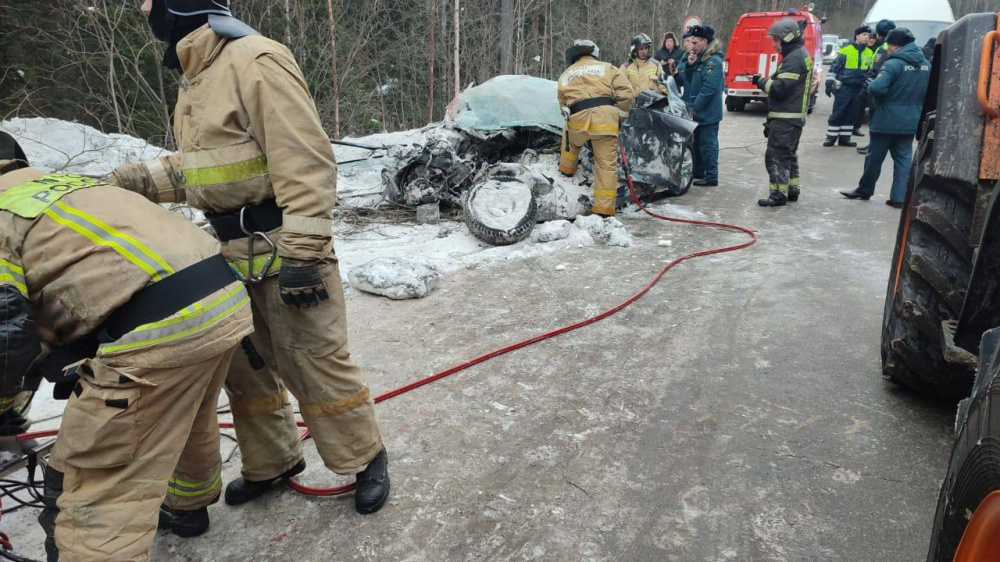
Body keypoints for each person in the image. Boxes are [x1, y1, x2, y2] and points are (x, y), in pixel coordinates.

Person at [117, 0, 391, 517]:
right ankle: (273, 462)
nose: (144, 9)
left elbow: (304, 157)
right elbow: (208, 170)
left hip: (284, 244)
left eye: (149, 0)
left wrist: (305, 253)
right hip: (228, 252)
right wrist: (130, 182)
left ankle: (364, 457)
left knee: (312, 360)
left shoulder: (255, 58)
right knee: (247, 369)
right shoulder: (197, 77)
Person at [0, 133, 253, 558]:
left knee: (92, 482)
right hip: (223, 296)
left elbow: (7, 339)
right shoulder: (61, 184)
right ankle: (188, 504)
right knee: (184, 414)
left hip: (157, 327)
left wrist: (5, 409)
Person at [839, 28, 931, 208]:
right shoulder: (926, 65)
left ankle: (864, 190)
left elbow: (876, 88)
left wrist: (873, 103)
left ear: (896, 46)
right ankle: (899, 198)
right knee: (904, 159)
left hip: (885, 120)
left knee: (874, 158)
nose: (887, 48)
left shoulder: (892, 64)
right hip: (911, 120)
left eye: (889, 45)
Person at [557, 39, 633, 216]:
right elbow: (626, 93)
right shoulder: (608, 68)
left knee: (569, 137)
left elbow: (563, 105)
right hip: (605, 121)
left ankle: (567, 169)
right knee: (606, 165)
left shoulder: (565, 74)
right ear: (594, 54)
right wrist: (619, 117)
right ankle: (603, 209)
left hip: (577, 121)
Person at [752, 19, 813, 208]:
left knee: (776, 156)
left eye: (776, 40)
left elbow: (780, 89)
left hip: (786, 117)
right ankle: (792, 189)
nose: (774, 44)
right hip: (792, 117)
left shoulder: (794, 58)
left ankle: (778, 194)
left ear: (786, 39)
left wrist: (760, 82)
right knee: (789, 155)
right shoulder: (798, 54)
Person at [668, 25, 724, 187]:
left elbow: (709, 90)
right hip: (698, 111)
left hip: (708, 113)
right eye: (690, 42)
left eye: (695, 43)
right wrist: (690, 66)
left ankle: (711, 175)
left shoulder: (713, 61)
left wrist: (694, 108)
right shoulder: (701, 58)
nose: (691, 46)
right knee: (697, 144)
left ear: (704, 41)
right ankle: (699, 171)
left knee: (708, 145)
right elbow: (690, 81)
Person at [824, 25, 874, 147]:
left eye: (868, 35)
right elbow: (834, 67)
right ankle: (831, 138)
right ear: (857, 36)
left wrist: (867, 85)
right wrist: (829, 82)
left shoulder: (869, 52)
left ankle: (845, 139)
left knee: (852, 113)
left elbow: (870, 71)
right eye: (864, 35)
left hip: (858, 88)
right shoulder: (846, 50)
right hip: (844, 87)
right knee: (839, 112)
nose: (867, 37)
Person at [857, 20, 897, 154]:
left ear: (879, 34)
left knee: (875, 118)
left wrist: (866, 90)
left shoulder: (884, 49)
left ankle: (873, 146)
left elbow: (876, 70)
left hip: (877, 87)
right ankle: (872, 145)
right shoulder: (894, 46)